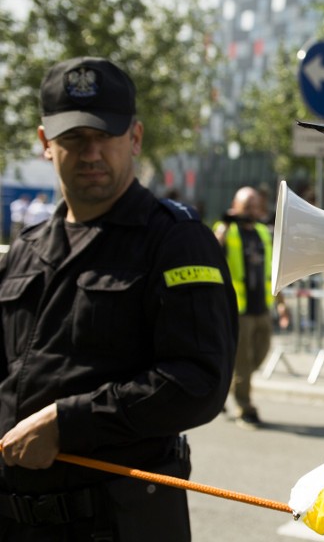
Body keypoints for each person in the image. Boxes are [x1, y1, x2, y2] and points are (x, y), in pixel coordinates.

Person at [0, 56, 238, 540]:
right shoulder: (24, 250)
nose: (90, 153)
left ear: (135, 137)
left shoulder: (175, 240)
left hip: (118, 523)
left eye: (104, 136)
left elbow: (198, 381)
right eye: (73, 138)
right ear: (46, 143)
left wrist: (69, 423)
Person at [214, 186, 275, 429]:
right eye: (245, 205)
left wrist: (280, 305)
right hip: (238, 310)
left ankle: (226, 387)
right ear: (235, 206)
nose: (250, 210)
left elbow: (271, 269)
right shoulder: (227, 231)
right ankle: (245, 409)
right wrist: (221, 232)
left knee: (259, 356)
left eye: (253, 205)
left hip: (262, 306)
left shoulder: (262, 232)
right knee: (242, 363)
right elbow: (210, 252)